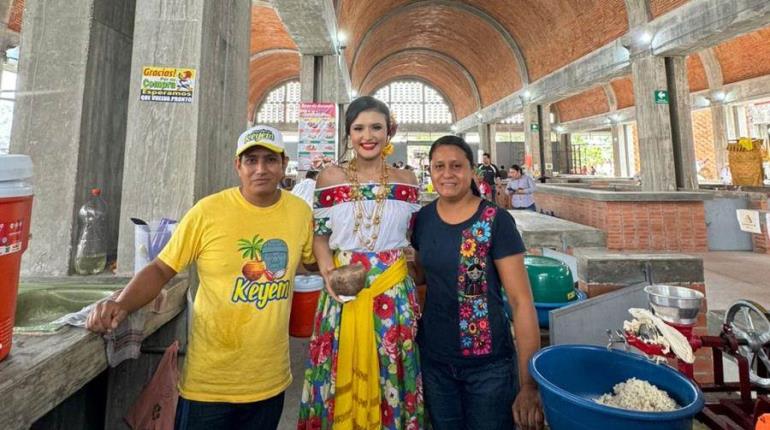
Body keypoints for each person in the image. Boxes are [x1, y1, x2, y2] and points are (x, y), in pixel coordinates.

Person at [86, 125, 316, 430]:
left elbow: (311, 263)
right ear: (238, 166)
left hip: (269, 380)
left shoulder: (299, 212)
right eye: (251, 160)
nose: (261, 169)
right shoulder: (208, 212)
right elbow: (161, 268)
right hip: (210, 381)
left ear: (284, 164)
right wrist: (121, 303)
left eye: (270, 160)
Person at [298, 96, 424, 429]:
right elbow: (320, 235)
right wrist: (329, 274)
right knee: (340, 364)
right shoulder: (329, 177)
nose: (367, 136)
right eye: (358, 128)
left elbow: (416, 237)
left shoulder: (407, 180)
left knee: (391, 372)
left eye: (376, 127)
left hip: (394, 296)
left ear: (389, 132)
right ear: (349, 134)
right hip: (342, 292)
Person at [411, 136, 544, 430]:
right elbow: (420, 278)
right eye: (439, 166)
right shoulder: (422, 220)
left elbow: (522, 303)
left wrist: (529, 385)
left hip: (490, 369)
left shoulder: (495, 220)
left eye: (457, 166)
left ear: (472, 170)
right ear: (430, 171)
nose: (447, 174)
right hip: (435, 363)